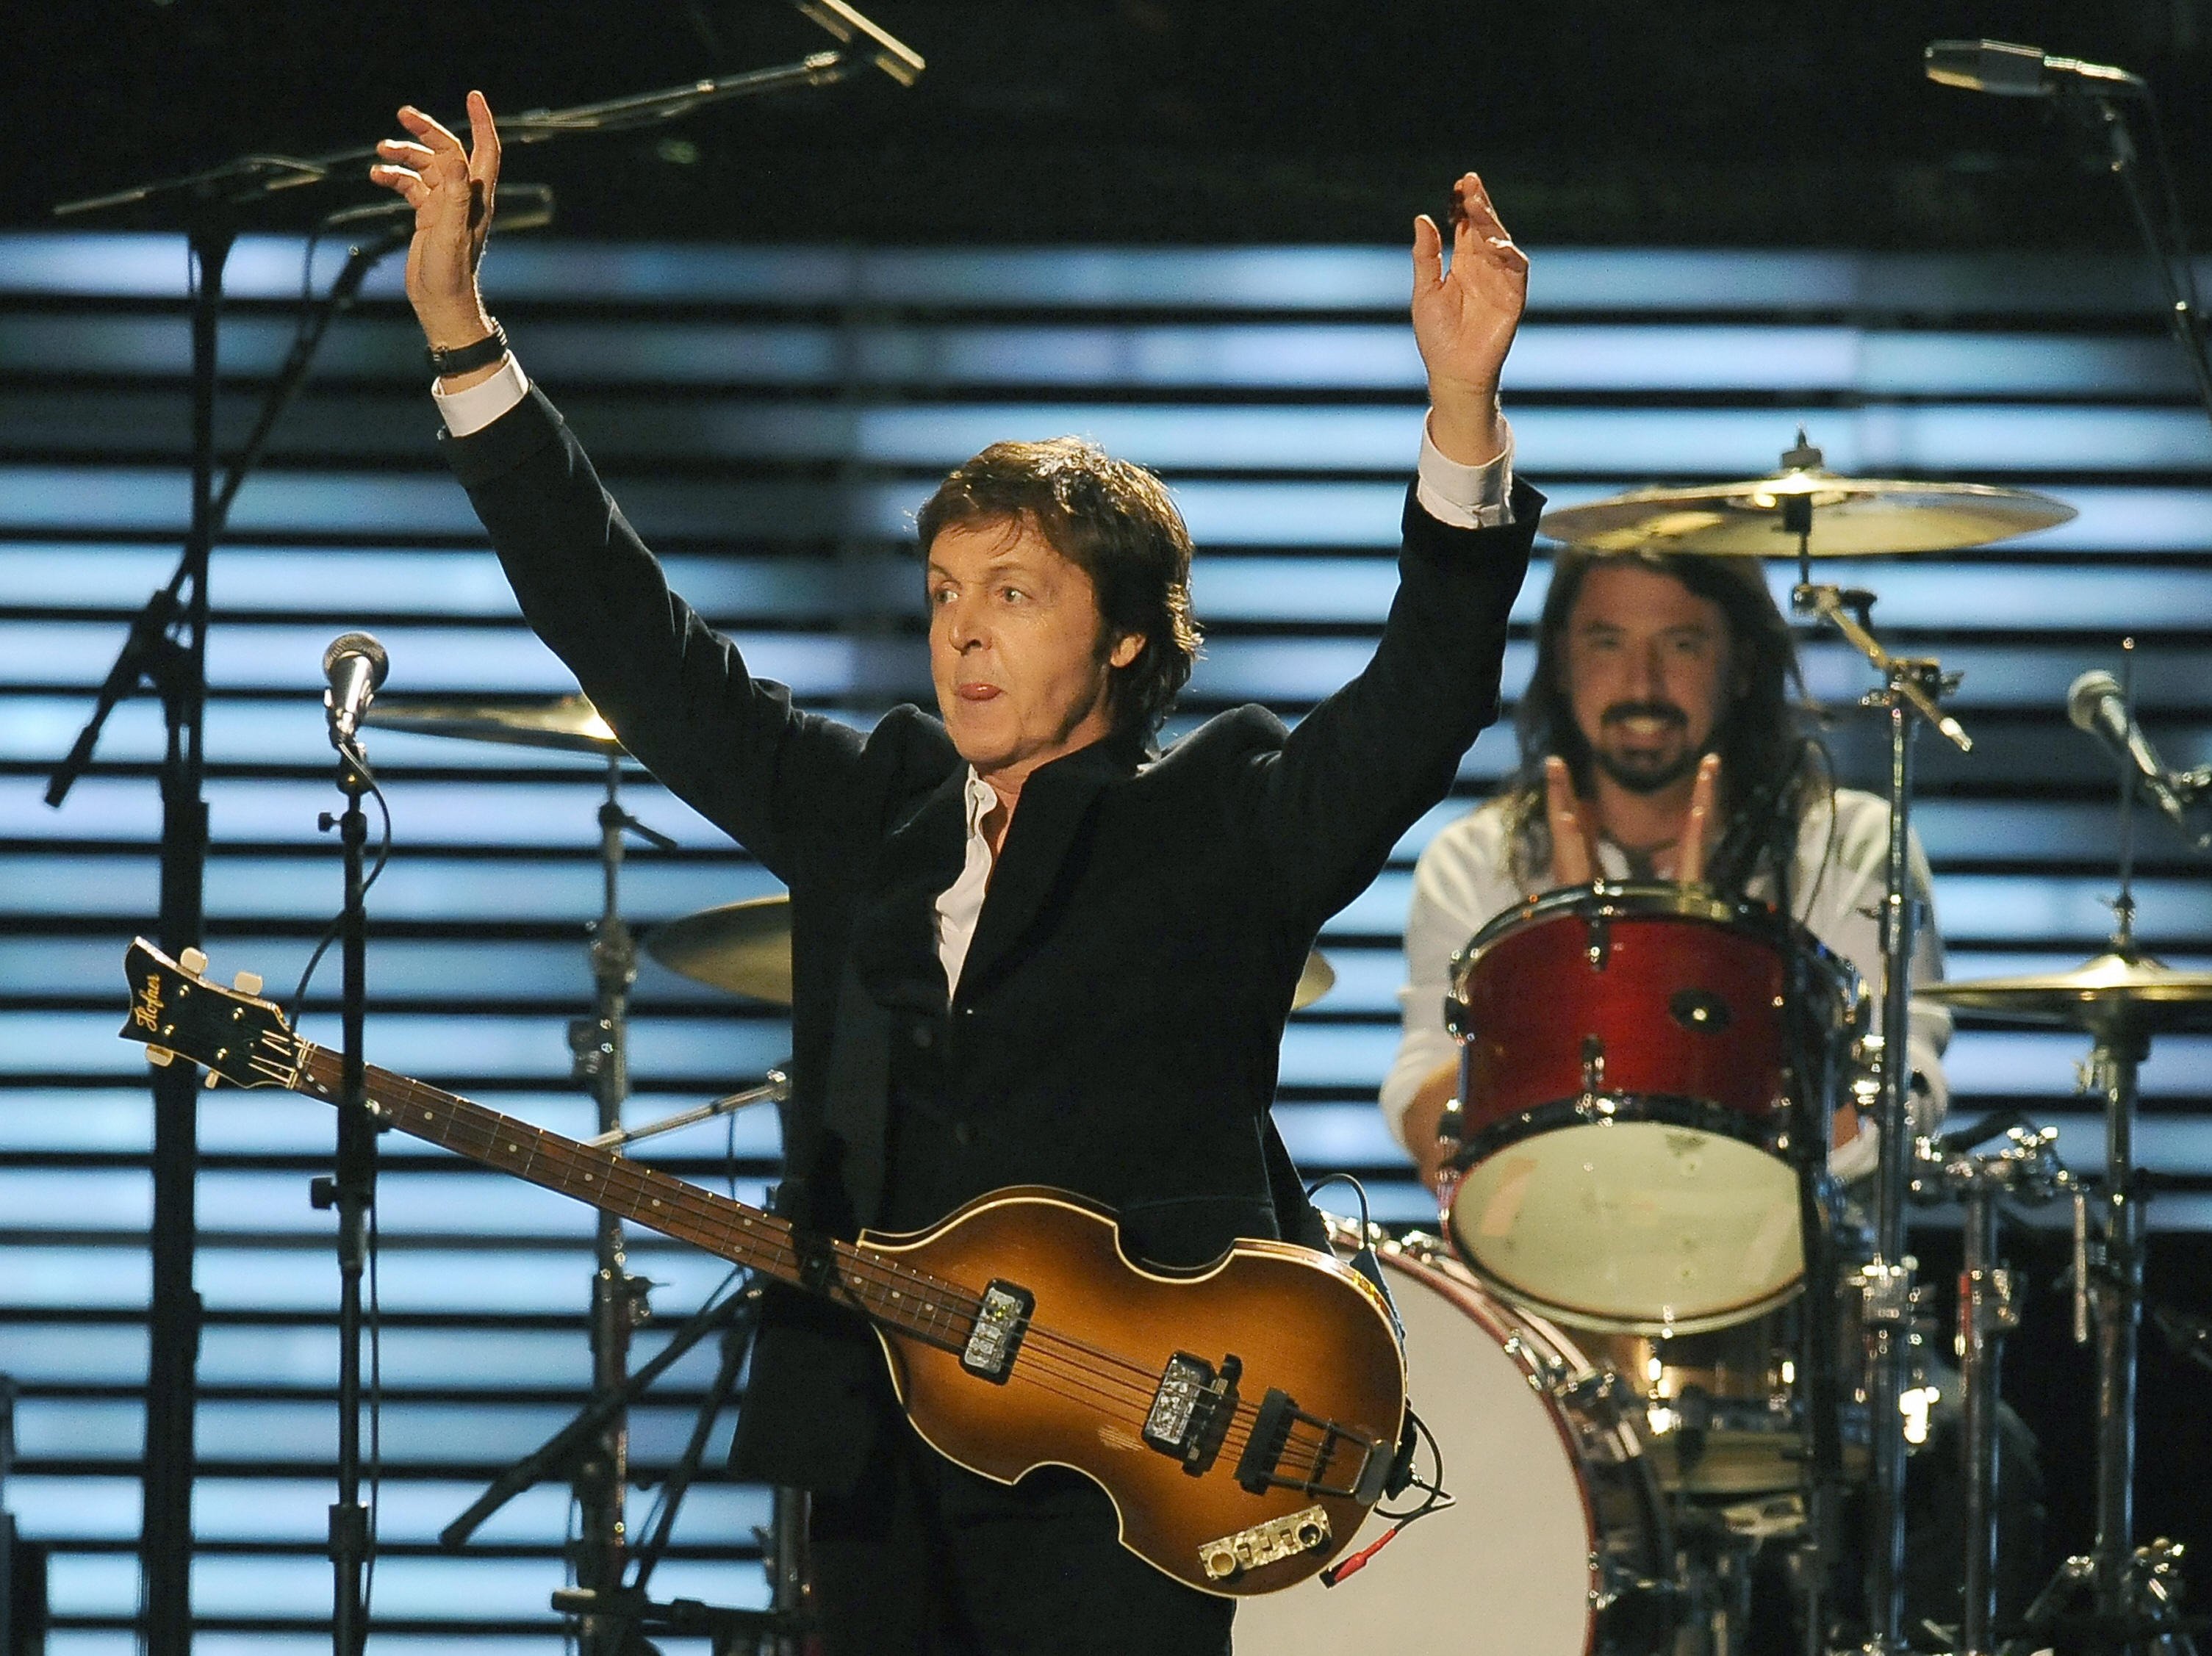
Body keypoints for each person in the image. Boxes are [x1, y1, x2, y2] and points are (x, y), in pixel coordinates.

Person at [370, 93, 1541, 1655]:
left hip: (1133, 1454)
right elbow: (637, 645)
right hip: (876, 1441)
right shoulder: (873, 807)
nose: (963, 629)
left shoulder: (1221, 816)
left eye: (1014, 591)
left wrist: (1460, 409)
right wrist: (462, 339)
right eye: (941, 592)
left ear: (1123, 636)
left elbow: (1422, 697)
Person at [1377, 541, 2046, 1639]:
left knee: (1986, 1452)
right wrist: (1583, 978)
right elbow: (1422, 1099)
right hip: (1554, 1333)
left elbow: (1901, 1085)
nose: (1640, 680)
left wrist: (1692, 1003)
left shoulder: (1847, 842)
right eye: (1606, 642)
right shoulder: (1478, 858)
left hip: (1796, 1314)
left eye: (1681, 644)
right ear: (1558, 663)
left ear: (1739, 665)